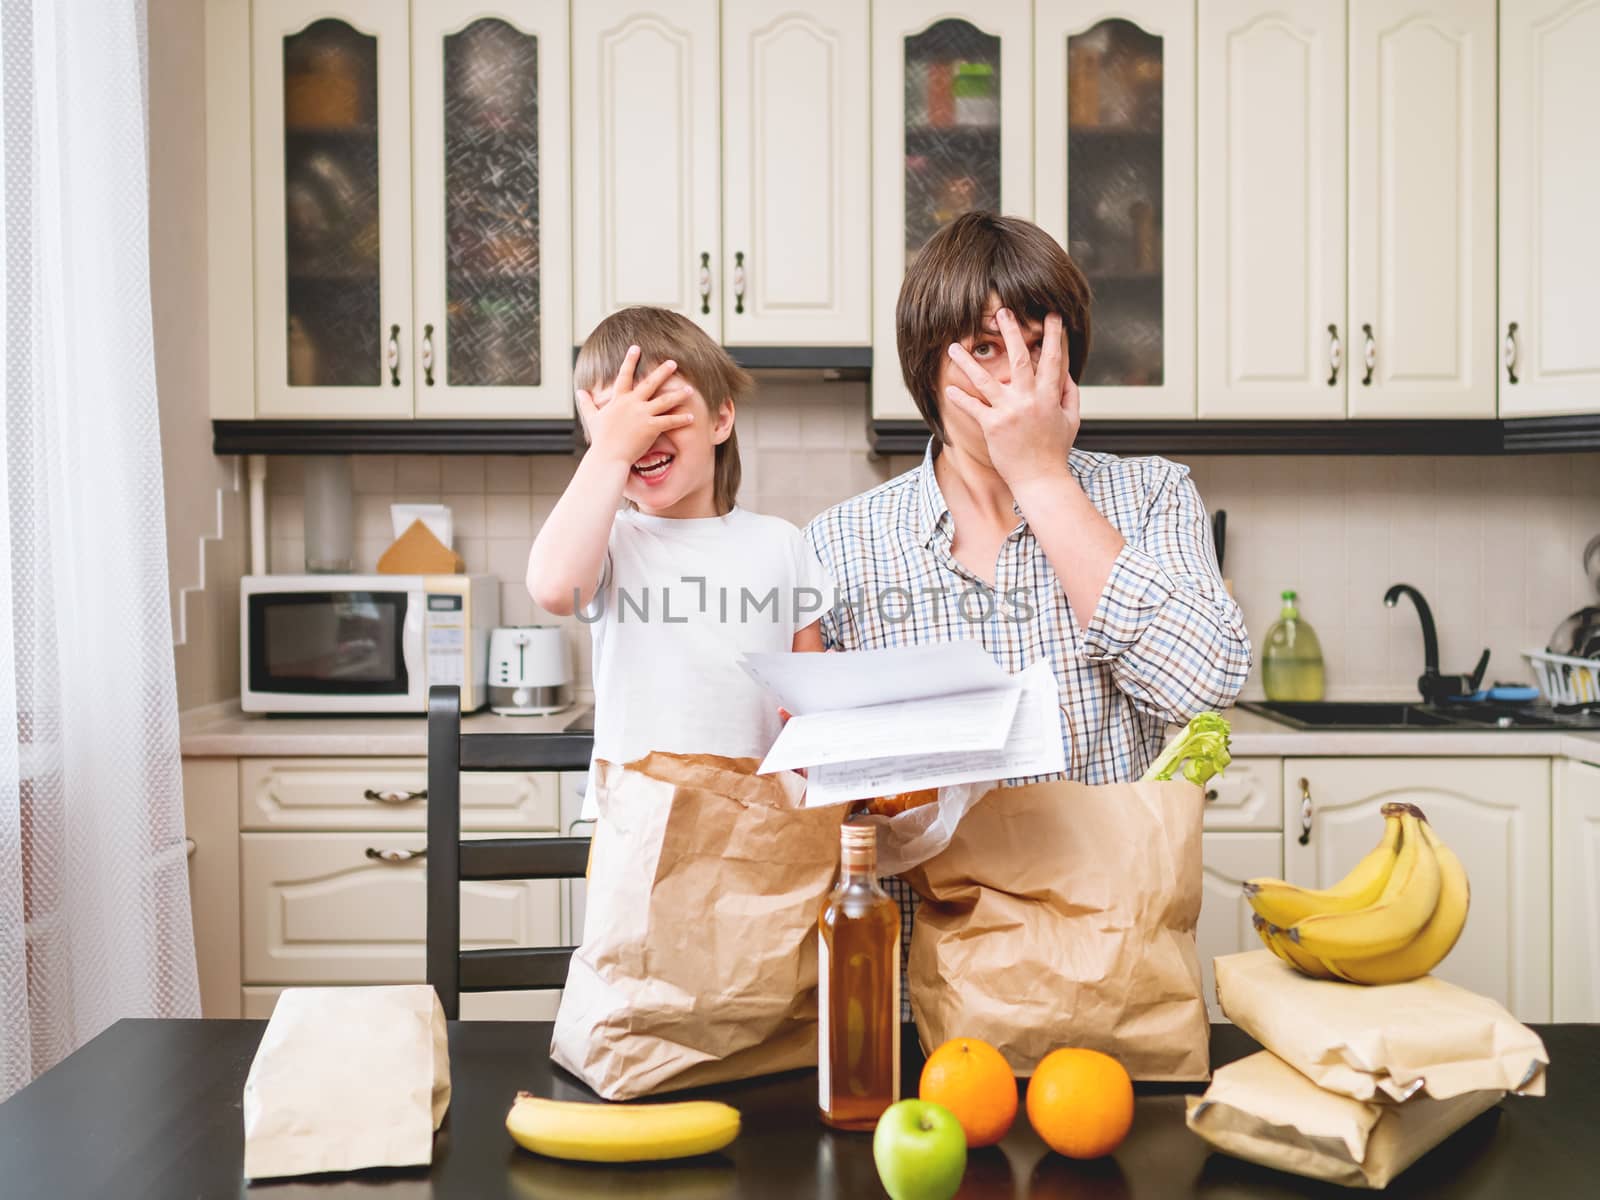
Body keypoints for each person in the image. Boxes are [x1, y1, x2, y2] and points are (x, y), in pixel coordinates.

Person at [804, 213, 1250, 1006]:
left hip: (1120, 981)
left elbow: (1203, 686)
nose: (1017, 375)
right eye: (984, 346)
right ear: (925, 364)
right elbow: (820, 801)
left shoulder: (1152, 495)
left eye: (1039, 344)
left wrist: (1044, 480)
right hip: (926, 998)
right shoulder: (839, 545)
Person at [528, 307, 832, 819]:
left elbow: (813, 703)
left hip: (758, 827)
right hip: (635, 829)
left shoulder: (782, 545)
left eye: (661, 408)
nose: (640, 437)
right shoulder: (610, 544)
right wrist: (608, 453)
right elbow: (555, 588)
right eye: (618, 422)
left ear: (720, 418)